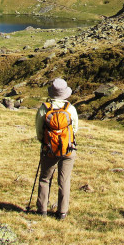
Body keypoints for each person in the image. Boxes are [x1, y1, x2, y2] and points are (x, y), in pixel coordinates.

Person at [35, 78, 78, 219]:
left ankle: (42, 210)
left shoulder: (44, 108)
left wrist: (45, 142)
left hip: (49, 149)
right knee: (64, 181)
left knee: (45, 179)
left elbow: (39, 130)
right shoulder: (70, 109)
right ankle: (62, 212)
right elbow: (75, 129)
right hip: (68, 149)